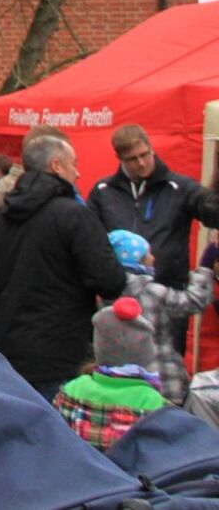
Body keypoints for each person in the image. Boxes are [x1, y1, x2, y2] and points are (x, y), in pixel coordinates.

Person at [0, 131, 126, 404]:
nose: (78, 173)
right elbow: (110, 281)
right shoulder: (75, 217)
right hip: (64, 355)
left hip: (10, 355)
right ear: (56, 165)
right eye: (74, 164)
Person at [89, 124, 219, 375]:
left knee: (167, 371)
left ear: (151, 149)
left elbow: (211, 211)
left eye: (145, 154)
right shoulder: (103, 192)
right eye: (133, 159)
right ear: (120, 158)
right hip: (118, 299)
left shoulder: (179, 187)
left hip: (168, 299)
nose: (141, 163)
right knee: (119, 369)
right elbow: (91, 242)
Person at [109, 229, 214, 404]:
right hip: (163, 381)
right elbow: (194, 301)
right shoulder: (151, 291)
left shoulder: (109, 294)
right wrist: (205, 266)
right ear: (137, 259)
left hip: (126, 383)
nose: (153, 258)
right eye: (148, 254)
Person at [53, 297, 168, 451]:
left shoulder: (73, 388)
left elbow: (55, 438)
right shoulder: (152, 401)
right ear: (146, 352)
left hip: (76, 466)